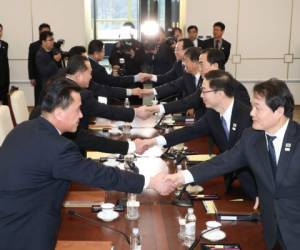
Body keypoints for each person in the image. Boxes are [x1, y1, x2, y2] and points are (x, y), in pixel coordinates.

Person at [0, 78, 174, 250]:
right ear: (59, 112)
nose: (81, 115)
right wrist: (151, 182)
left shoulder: (23, 129)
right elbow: (99, 175)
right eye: (77, 110)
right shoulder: (57, 148)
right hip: (24, 232)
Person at [165, 79, 297, 250]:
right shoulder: (251, 137)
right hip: (271, 229)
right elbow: (222, 162)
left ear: (279, 111)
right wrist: (181, 177)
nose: (251, 113)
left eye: (258, 108)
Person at [136, 70, 257, 199]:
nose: (201, 96)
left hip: (255, 186)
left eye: (204, 91)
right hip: (233, 183)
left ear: (220, 94)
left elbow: (235, 157)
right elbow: (189, 132)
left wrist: (183, 176)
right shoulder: (213, 114)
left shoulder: (248, 118)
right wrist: (152, 142)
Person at [31, 55, 152, 155]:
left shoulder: (64, 76)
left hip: (40, 138)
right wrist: (136, 113)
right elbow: (106, 111)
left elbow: (105, 89)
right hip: (63, 150)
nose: (91, 77)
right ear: (79, 75)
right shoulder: (79, 94)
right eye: (89, 73)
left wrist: (132, 93)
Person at [144, 48, 250, 120]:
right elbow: (187, 102)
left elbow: (244, 121)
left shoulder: (237, 89)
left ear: (215, 66)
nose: (199, 67)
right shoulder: (206, 84)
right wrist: (155, 108)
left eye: (201, 63)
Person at [28, 23, 51, 105]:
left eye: (48, 32)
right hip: (38, 78)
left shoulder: (53, 45)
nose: (46, 34)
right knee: (39, 99)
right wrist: (32, 77)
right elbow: (31, 62)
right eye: (44, 32)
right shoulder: (34, 45)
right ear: (39, 33)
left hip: (51, 78)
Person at [35, 31, 61, 104]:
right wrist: (54, 60)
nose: (52, 42)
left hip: (55, 85)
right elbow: (44, 72)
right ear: (43, 42)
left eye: (53, 39)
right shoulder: (40, 55)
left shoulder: (53, 50)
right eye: (50, 40)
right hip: (47, 88)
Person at [0, 23, 10, 105]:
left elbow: (5, 63)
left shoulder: (5, 45)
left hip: (4, 79)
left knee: (4, 105)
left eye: (0, 31)